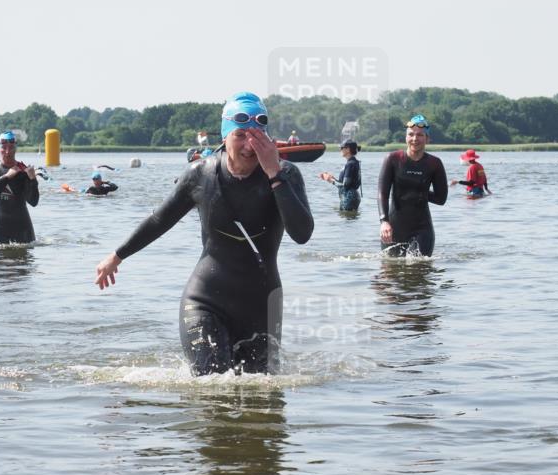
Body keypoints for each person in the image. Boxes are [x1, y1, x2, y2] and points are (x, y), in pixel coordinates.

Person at [95, 91, 313, 376]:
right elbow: (160, 219)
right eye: (240, 136)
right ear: (225, 136)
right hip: (206, 301)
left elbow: (302, 234)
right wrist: (117, 255)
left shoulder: (286, 174)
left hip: (262, 307)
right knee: (211, 383)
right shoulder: (200, 174)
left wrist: (274, 174)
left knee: (262, 393)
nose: (249, 146)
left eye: (257, 137)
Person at [377, 114, 448, 256]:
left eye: (420, 135)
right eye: (411, 134)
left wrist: (420, 192)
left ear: (427, 138)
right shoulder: (393, 159)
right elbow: (382, 194)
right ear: (406, 138)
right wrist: (384, 221)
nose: (415, 139)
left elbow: (441, 199)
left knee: (420, 266)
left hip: (422, 230)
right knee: (390, 269)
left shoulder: (434, 164)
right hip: (393, 228)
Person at [0, 131, 39, 244]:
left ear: (15, 149)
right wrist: (7, 176)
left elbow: (33, 202)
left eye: (11, 148)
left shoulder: (23, 170)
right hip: (0, 227)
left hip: (22, 227)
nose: (7, 152)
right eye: (4, 148)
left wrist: (33, 180)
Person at [319, 140, 362, 211]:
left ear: (348, 149)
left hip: (349, 198)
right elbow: (346, 183)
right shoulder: (354, 162)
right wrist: (332, 178)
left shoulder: (350, 164)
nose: (340, 150)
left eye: (342, 148)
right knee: (348, 216)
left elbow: (345, 186)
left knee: (346, 217)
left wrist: (330, 180)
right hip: (352, 196)